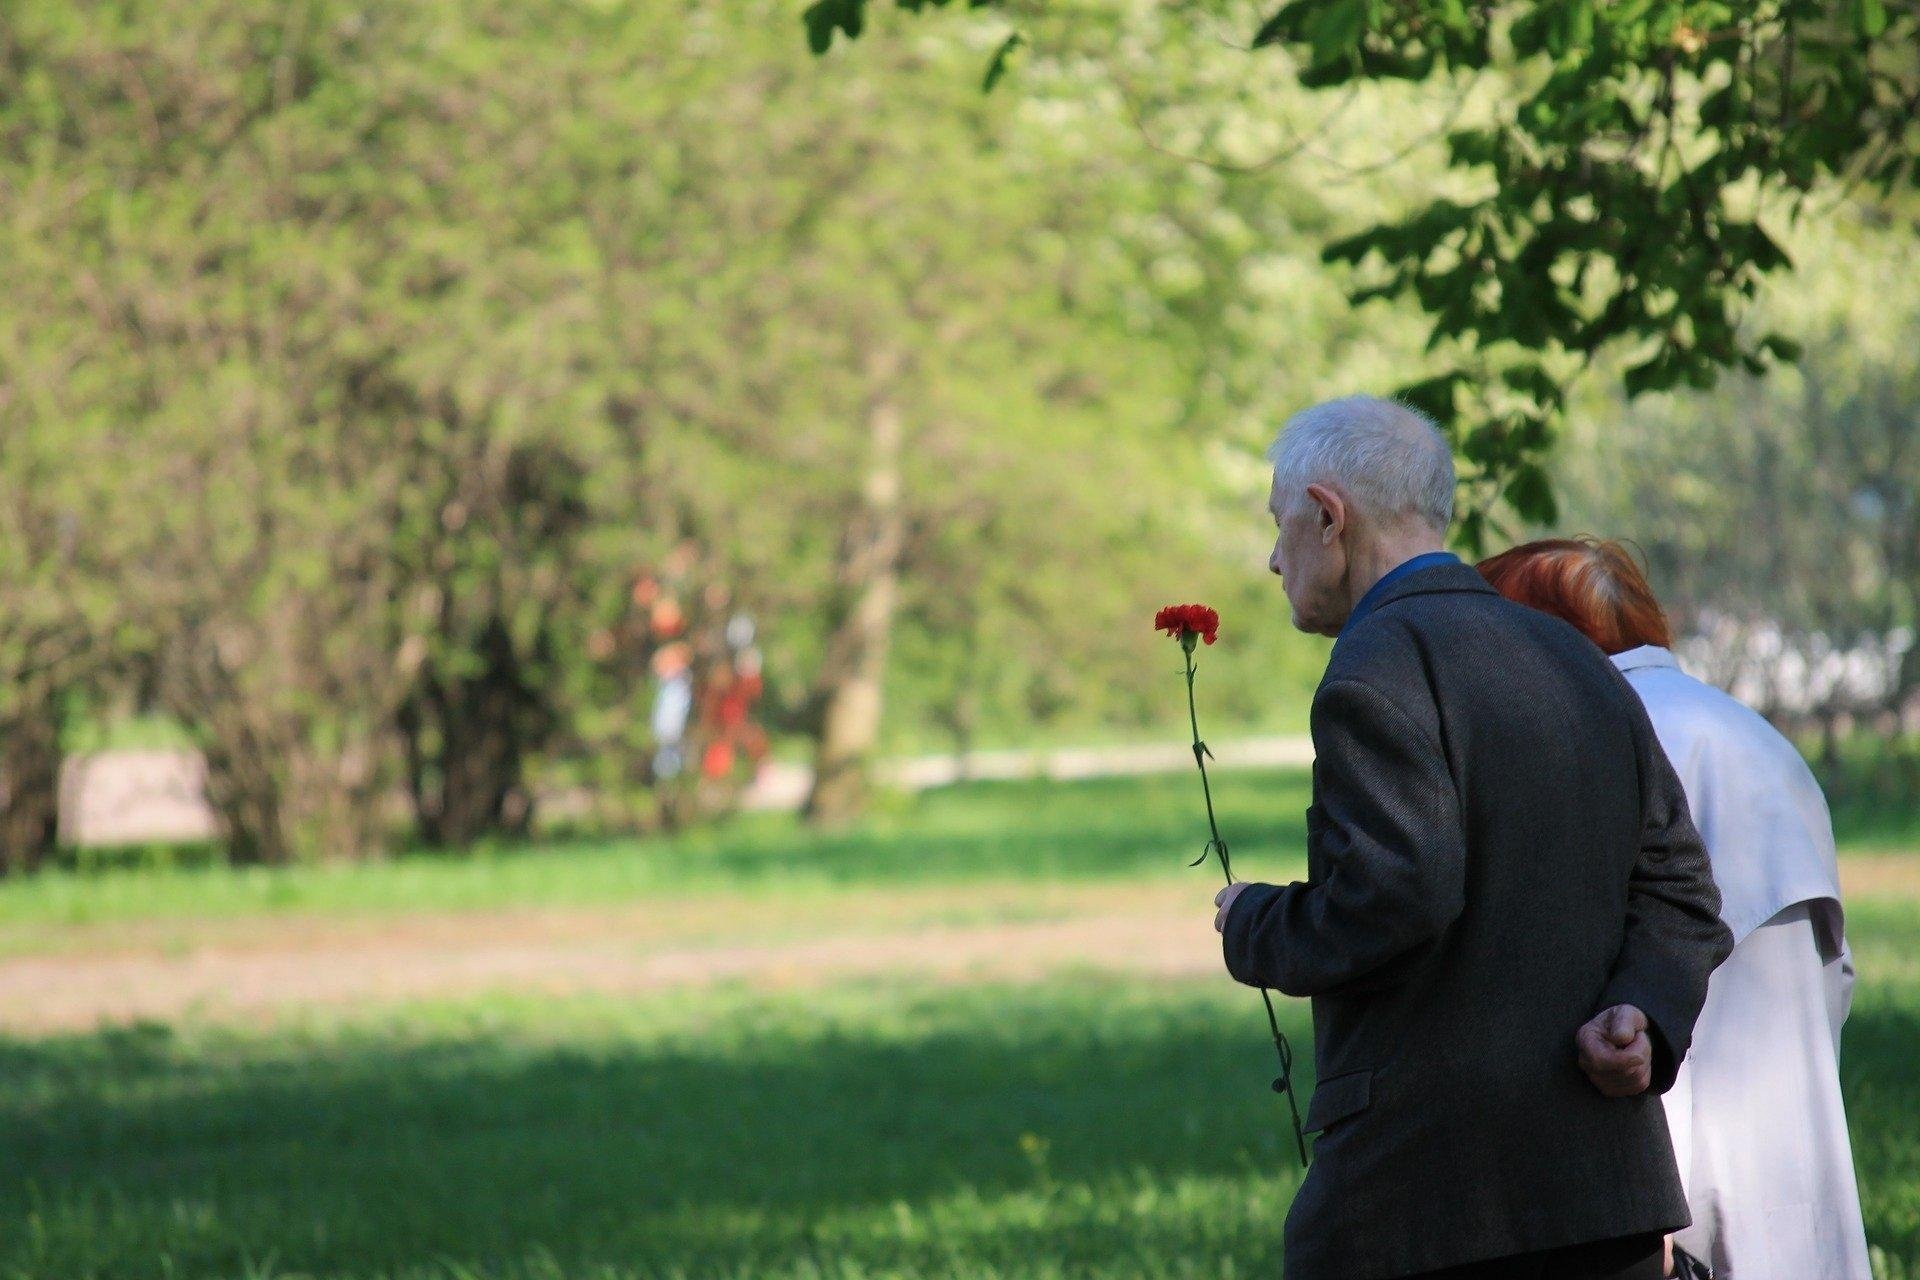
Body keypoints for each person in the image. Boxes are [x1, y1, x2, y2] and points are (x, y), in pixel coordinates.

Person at [1212, 396, 1733, 1280]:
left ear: (1327, 518)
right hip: (1609, 1199)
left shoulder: (1376, 665)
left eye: (1279, 524)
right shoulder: (1575, 657)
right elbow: (1681, 885)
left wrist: (1252, 924)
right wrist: (1643, 1009)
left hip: (1431, 1205)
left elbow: (1398, 892)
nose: (1272, 558)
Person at [1479, 537, 1873, 1280]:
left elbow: (1600, 988)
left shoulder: (1597, 738)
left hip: (1661, 1186)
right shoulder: (1752, 733)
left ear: (1537, 636)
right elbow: (1836, 976)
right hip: (1792, 1140)